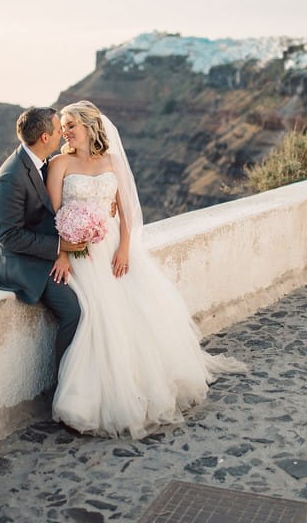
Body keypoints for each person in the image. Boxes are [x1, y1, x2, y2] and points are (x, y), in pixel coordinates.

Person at [46, 100, 246, 439]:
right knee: (97, 315)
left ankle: (142, 386)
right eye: (63, 126)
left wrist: (124, 247)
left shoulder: (111, 161)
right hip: (79, 252)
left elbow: (125, 212)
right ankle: (90, 398)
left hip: (111, 248)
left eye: (71, 125)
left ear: (90, 127)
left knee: (133, 312)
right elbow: (52, 214)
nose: (65, 131)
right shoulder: (59, 163)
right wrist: (62, 253)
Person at [0, 107, 86, 373]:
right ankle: (63, 384)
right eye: (58, 131)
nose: (62, 135)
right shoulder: (10, 178)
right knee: (73, 311)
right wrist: (59, 248)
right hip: (24, 262)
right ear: (44, 137)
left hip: (46, 250)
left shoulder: (42, 163)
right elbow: (9, 238)